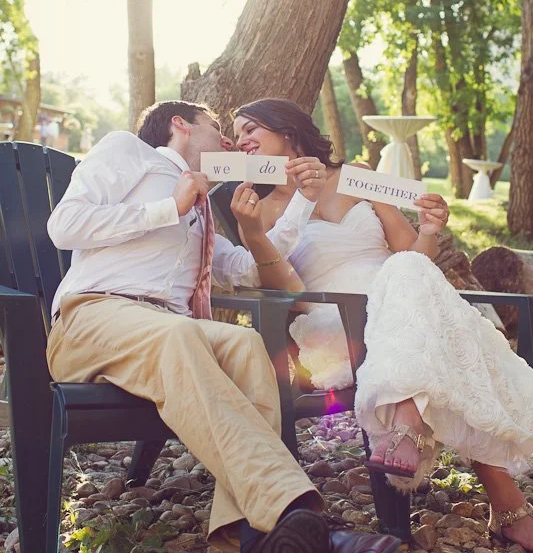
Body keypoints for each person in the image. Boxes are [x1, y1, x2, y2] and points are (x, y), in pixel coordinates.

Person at [46, 99, 400, 553]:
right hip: (92, 318)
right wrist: (168, 207)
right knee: (179, 334)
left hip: (166, 331)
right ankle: (300, 518)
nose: (230, 141)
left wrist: (288, 210)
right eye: (218, 127)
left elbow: (252, 268)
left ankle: (252, 538)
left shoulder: (203, 210)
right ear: (181, 125)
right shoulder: (130, 153)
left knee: (246, 346)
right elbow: (64, 225)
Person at [231, 98, 533, 551]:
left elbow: (412, 253)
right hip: (338, 326)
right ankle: (508, 506)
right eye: (236, 137)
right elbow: (285, 291)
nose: (241, 141)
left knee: (408, 273)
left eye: (250, 128)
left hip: (404, 302)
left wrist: (429, 229)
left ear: (287, 131)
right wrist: (255, 235)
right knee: (441, 327)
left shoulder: (357, 177)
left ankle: (409, 420)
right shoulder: (260, 208)